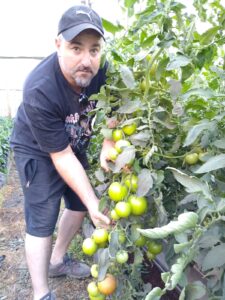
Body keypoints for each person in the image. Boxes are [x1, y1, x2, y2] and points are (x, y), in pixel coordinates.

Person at [10, 5, 114, 300]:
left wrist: (107, 140)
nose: (86, 60)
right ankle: (41, 293)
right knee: (42, 220)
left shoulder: (101, 70)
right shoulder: (40, 88)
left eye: (94, 50)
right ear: (58, 44)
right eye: (76, 48)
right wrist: (96, 203)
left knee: (79, 204)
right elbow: (61, 157)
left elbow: (116, 102)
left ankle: (57, 261)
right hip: (37, 150)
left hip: (72, 141)